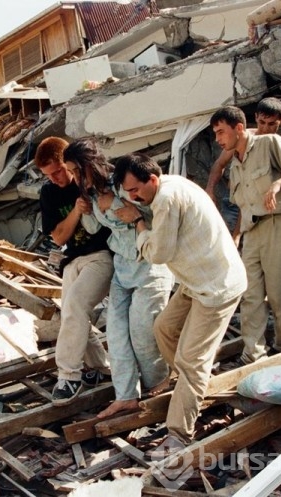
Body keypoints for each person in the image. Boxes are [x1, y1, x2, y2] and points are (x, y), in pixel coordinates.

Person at [112, 153, 247, 444]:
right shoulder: (166, 186)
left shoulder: (166, 200)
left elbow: (158, 254)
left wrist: (137, 223)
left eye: (136, 190)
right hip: (194, 281)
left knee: (192, 358)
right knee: (164, 328)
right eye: (128, 193)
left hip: (216, 288)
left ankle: (180, 432)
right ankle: (192, 383)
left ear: (152, 178)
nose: (133, 197)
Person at [63, 139, 173, 418]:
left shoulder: (123, 184)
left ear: (89, 164)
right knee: (116, 333)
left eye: (76, 170)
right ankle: (125, 396)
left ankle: (158, 384)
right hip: (122, 268)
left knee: (142, 333)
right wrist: (83, 209)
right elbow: (92, 226)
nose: (75, 177)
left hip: (149, 266)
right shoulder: (90, 195)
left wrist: (134, 213)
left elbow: (156, 214)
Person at [210, 106, 281, 365]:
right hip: (252, 231)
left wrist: (278, 184)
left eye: (221, 132)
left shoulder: (270, 143)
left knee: (280, 294)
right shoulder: (235, 162)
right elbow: (245, 205)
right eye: (216, 133)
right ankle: (253, 354)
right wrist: (236, 235)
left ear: (239, 128)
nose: (218, 139)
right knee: (251, 294)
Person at [35, 136, 113, 407]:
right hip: (72, 259)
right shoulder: (49, 193)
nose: (55, 178)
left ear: (67, 163)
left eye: (58, 171)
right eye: (48, 175)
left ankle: (68, 376)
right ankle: (101, 369)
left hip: (101, 256)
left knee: (76, 306)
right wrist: (77, 212)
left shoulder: (88, 179)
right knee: (71, 311)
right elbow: (58, 237)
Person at [205, 97, 281, 235]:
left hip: (264, 208)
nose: (266, 128)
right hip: (237, 203)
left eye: (272, 124)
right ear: (256, 118)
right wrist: (210, 189)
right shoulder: (241, 138)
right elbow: (219, 165)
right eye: (262, 122)